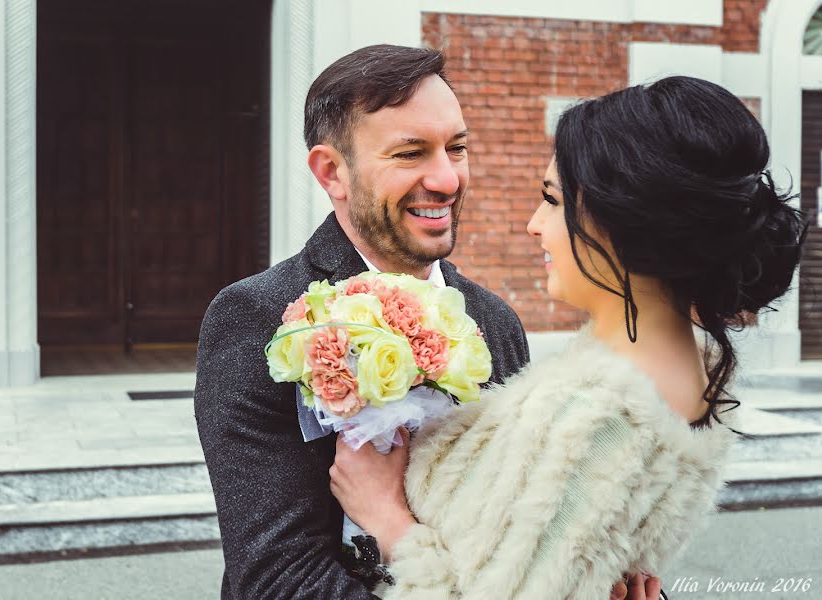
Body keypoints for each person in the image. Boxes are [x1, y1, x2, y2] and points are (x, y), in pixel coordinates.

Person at [329, 75, 805, 599]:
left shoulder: (592, 417)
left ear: (625, 218)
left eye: (552, 200)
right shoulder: (685, 377)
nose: (535, 225)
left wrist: (387, 519)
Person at [194, 45, 530, 599]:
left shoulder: (494, 322)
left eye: (457, 147)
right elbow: (278, 581)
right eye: (410, 153)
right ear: (332, 172)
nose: (447, 180)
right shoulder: (257, 318)